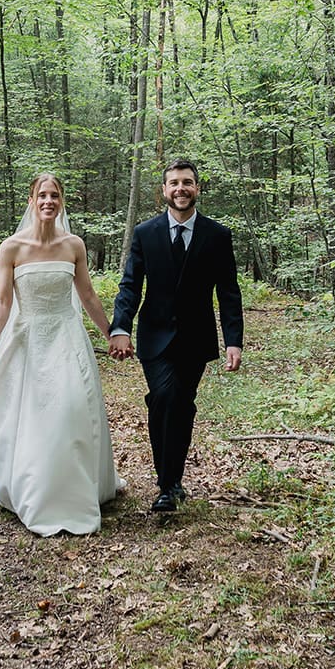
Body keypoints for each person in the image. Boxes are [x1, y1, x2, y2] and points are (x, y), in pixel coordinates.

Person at [0, 173, 126, 535]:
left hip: (66, 338)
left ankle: (75, 486)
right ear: (31, 201)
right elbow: (3, 301)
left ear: (61, 201)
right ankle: (32, 487)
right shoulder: (12, 248)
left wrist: (112, 333)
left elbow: (88, 296)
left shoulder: (73, 245)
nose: (49, 201)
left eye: (55, 195)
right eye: (42, 195)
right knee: (29, 414)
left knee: (70, 408)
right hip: (28, 339)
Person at [110, 159, 243, 513]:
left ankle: (172, 481)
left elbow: (228, 291)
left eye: (187, 182)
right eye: (174, 183)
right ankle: (168, 485)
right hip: (155, 336)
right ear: (164, 191)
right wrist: (120, 327)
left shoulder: (217, 235)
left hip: (196, 338)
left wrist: (233, 339)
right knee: (164, 397)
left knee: (181, 405)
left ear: (197, 188)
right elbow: (129, 286)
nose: (181, 188)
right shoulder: (145, 233)